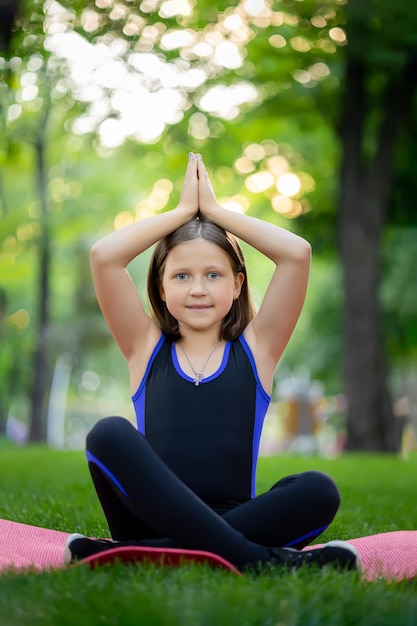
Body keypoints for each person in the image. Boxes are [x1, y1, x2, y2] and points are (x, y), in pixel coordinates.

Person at [65, 153, 359, 572]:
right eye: (181, 276)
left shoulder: (259, 347)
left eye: (214, 275)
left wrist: (217, 213)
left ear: (238, 284)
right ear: (161, 288)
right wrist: (183, 211)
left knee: (318, 489)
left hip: (241, 518)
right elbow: (105, 256)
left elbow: (297, 253)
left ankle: (154, 555)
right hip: (149, 522)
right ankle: (257, 561)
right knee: (107, 434)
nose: (198, 289)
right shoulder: (144, 347)